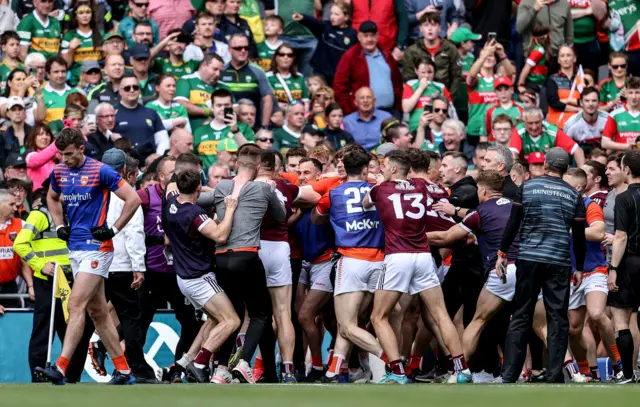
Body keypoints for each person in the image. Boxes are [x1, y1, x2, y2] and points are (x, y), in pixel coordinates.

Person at [38, 128, 142, 385]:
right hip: (75, 248)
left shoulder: (101, 171)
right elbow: (51, 197)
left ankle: (60, 368)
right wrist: (59, 223)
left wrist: (114, 229)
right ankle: (125, 370)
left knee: (75, 305)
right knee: (98, 312)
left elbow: (134, 198)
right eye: (60, 154)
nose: (64, 159)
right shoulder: (59, 172)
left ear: (81, 149)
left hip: (98, 247)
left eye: (69, 154)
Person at [362, 149, 472, 384]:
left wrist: (381, 183)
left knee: (378, 316)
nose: (381, 169)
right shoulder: (422, 187)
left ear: (393, 169)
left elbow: (365, 204)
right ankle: (461, 368)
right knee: (441, 314)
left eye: (384, 166)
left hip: (398, 257)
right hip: (423, 256)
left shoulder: (380, 189)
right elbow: (435, 194)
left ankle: (397, 371)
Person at [498, 147, 586, 384]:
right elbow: (578, 236)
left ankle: (509, 375)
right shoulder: (574, 195)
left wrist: (502, 252)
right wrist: (579, 267)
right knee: (557, 318)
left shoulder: (526, 187)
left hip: (528, 258)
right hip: (559, 262)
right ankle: (555, 374)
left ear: (545, 165)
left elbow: (513, 223)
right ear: (566, 169)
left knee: (521, 315)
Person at [428, 170, 520, 365]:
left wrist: (414, 236)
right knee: (541, 324)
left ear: (484, 190)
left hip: (502, 270)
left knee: (478, 321)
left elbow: (446, 237)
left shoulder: (481, 212)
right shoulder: (517, 206)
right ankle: (573, 371)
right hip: (527, 269)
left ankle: (460, 370)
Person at [212, 143, 286, 384]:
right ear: (257, 166)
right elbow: (281, 215)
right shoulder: (263, 188)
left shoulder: (221, 186)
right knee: (261, 314)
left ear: (236, 163)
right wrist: (272, 189)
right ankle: (244, 362)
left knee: (231, 316)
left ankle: (221, 369)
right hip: (246, 255)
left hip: (221, 257)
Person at [164, 168, 241, 384]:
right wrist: (230, 208)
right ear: (198, 187)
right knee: (232, 320)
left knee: (216, 319)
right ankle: (200, 363)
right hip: (200, 277)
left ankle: (184, 361)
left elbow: (173, 187)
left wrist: (210, 190)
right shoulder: (195, 213)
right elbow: (220, 235)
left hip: (184, 276)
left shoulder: (170, 203)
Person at [14, 177, 90, 383]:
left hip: (73, 279)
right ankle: (39, 375)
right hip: (48, 280)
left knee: (74, 329)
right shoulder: (40, 215)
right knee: (43, 329)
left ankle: (71, 375)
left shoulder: (74, 213)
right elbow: (20, 245)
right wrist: (41, 265)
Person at [256, 150, 319, 382]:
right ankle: (288, 369)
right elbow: (314, 197)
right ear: (277, 168)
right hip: (281, 249)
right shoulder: (285, 188)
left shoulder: (246, 186)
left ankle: (259, 370)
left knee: (258, 315)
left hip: (255, 249)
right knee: (283, 314)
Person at [561, 167, 622, 382]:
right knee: (573, 328)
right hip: (570, 273)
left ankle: (618, 364)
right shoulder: (560, 207)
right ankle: (588, 371)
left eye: (565, 184)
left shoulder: (590, 205)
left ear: (578, 188)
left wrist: (565, 229)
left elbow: (597, 232)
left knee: (597, 315)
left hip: (594, 269)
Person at [101, 150, 157, 383]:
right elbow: (134, 232)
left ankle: (71, 368)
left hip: (96, 263)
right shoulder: (128, 194)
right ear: (124, 169)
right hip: (122, 263)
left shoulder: (95, 190)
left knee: (90, 317)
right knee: (131, 319)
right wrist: (139, 266)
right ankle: (137, 369)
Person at [607, 150, 640, 383]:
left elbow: (620, 237)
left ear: (626, 170)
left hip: (630, 262)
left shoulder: (624, 197)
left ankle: (628, 374)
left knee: (621, 320)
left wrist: (613, 268)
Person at [333, 21, 402, 116]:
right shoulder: (350, 56)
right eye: (366, 36)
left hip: (391, 112)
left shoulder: (386, 54)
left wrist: (399, 108)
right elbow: (339, 87)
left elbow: (398, 82)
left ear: (377, 36)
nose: (370, 39)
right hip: (362, 115)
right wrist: (349, 112)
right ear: (359, 37)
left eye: (373, 35)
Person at [293, 2, 357, 86]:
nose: (332, 17)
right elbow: (314, 22)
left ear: (346, 17)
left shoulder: (352, 34)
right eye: (331, 13)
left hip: (338, 74)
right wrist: (303, 18)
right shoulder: (326, 27)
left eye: (336, 14)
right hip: (320, 72)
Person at [220, 33, 273, 128]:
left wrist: (264, 126)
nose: (243, 51)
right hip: (226, 126)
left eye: (246, 48)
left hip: (252, 126)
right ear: (229, 50)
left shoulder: (258, 71)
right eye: (238, 48)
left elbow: (267, 99)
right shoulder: (221, 71)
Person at [113, 74, 169, 162]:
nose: (132, 90)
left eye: (135, 87)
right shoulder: (111, 113)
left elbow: (163, 140)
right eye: (127, 88)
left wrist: (157, 158)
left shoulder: (151, 113)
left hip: (149, 163)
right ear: (120, 91)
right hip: (123, 162)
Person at [402, 12, 461, 95]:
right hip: (419, 98)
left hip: (444, 98)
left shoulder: (450, 49)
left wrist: (448, 97)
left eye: (433, 25)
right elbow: (409, 78)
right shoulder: (412, 51)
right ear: (421, 28)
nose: (430, 28)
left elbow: (456, 77)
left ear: (440, 28)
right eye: (426, 25)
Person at [466, 39, 513, 143]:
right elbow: (471, 75)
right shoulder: (476, 79)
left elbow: (510, 76)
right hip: (475, 129)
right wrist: (484, 55)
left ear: (495, 60)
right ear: (479, 59)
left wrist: (502, 54)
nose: (488, 57)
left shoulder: (499, 80)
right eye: (485, 55)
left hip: (495, 129)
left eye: (491, 55)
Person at [193, 88, 253, 167]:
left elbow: (251, 154)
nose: (222, 108)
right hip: (206, 177)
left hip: (233, 177)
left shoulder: (243, 128)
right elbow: (193, 160)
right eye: (219, 105)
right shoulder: (199, 131)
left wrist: (235, 130)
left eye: (226, 105)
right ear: (212, 107)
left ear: (232, 106)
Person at [510, 107, 585, 166]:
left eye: (537, 122)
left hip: (548, 167)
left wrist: (583, 177)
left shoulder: (552, 131)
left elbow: (577, 150)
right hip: (526, 166)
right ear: (524, 122)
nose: (534, 127)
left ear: (542, 120)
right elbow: (512, 155)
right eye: (530, 123)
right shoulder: (519, 131)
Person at [176, 53, 229, 131]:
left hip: (219, 136)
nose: (218, 74)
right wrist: (209, 111)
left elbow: (235, 109)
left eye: (220, 71)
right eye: (215, 69)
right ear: (204, 65)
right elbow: (181, 106)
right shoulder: (185, 80)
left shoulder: (224, 86)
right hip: (190, 134)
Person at [402, 58, 453, 135]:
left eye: (430, 72)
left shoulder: (440, 87)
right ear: (416, 71)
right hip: (416, 128)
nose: (426, 76)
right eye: (423, 72)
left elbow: (451, 111)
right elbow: (406, 108)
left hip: (438, 129)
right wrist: (421, 88)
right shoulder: (410, 84)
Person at [61, 3, 103, 87]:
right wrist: (71, 50)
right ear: (76, 16)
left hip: (98, 82)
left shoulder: (100, 34)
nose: (85, 15)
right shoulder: (69, 36)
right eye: (81, 13)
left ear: (92, 15)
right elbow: (65, 65)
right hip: (77, 82)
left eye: (88, 12)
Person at [342, 87, 392, 152]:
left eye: (368, 97)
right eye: (362, 98)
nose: (365, 101)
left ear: (374, 101)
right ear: (355, 102)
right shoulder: (347, 121)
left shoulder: (386, 117)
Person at [563, 86, 608, 153]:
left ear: (599, 103)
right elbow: (565, 150)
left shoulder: (608, 120)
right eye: (587, 101)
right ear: (581, 103)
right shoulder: (571, 125)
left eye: (594, 100)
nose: (590, 104)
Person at [266, 44, 310, 112]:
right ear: (276, 57)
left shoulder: (300, 77)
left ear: (293, 58)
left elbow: (306, 102)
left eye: (290, 55)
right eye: (282, 54)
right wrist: (277, 105)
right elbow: (264, 102)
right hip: (276, 116)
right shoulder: (267, 77)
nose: (285, 57)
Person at [42, 56, 80, 134]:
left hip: (72, 138)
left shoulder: (76, 93)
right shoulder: (40, 94)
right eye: (56, 72)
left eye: (63, 71)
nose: (60, 75)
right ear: (48, 74)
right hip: (49, 139)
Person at [546, 45, 581, 128]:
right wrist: (577, 108)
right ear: (558, 60)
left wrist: (564, 100)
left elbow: (585, 102)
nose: (565, 59)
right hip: (556, 127)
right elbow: (554, 103)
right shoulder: (552, 79)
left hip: (577, 126)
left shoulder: (582, 80)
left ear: (574, 58)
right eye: (562, 56)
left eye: (568, 55)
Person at [602, 77, 640, 151]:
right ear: (625, 92)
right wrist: (628, 146)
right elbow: (604, 143)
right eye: (630, 92)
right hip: (621, 158)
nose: (634, 96)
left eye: (637, 92)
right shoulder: (615, 114)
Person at [484, 77, 524, 142]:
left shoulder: (522, 108)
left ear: (512, 90)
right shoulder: (489, 109)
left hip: (516, 147)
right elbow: (485, 133)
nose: (503, 93)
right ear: (495, 92)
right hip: (496, 148)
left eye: (506, 89)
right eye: (499, 90)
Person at [517, 22, 552, 93]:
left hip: (539, 84)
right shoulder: (539, 50)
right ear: (546, 37)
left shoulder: (541, 50)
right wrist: (520, 85)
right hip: (533, 84)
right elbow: (527, 67)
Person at [25, 124, 56, 191]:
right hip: (36, 197)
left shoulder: (55, 159)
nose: (45, 137)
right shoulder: (29, 154)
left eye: (47, 134)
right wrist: (57, 143)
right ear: (33, 137)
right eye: (40, 134)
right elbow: (38, 159)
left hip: (53, 196)